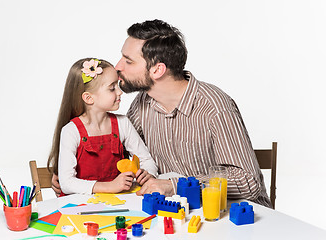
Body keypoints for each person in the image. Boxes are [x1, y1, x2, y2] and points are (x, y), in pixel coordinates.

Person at [52, 20, 272, 208]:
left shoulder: (214, 106)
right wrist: (71, 175)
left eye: (128, 61)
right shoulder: (140, 106)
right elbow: (121, 155)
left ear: (157, 70)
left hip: (233, 214)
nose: (118, 67)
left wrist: (175, 185)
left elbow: (248, 183)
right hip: (176, 213)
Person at [47, 58, 158, 195]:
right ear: (88, 98)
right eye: (112, 88)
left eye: (117, 85)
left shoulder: (122, 123)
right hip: (80, 208)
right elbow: (67, 183)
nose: (120, 92)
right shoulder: (71, 131)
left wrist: (149, 174)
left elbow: (146, 159)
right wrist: (110, 186)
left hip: (117, 204)